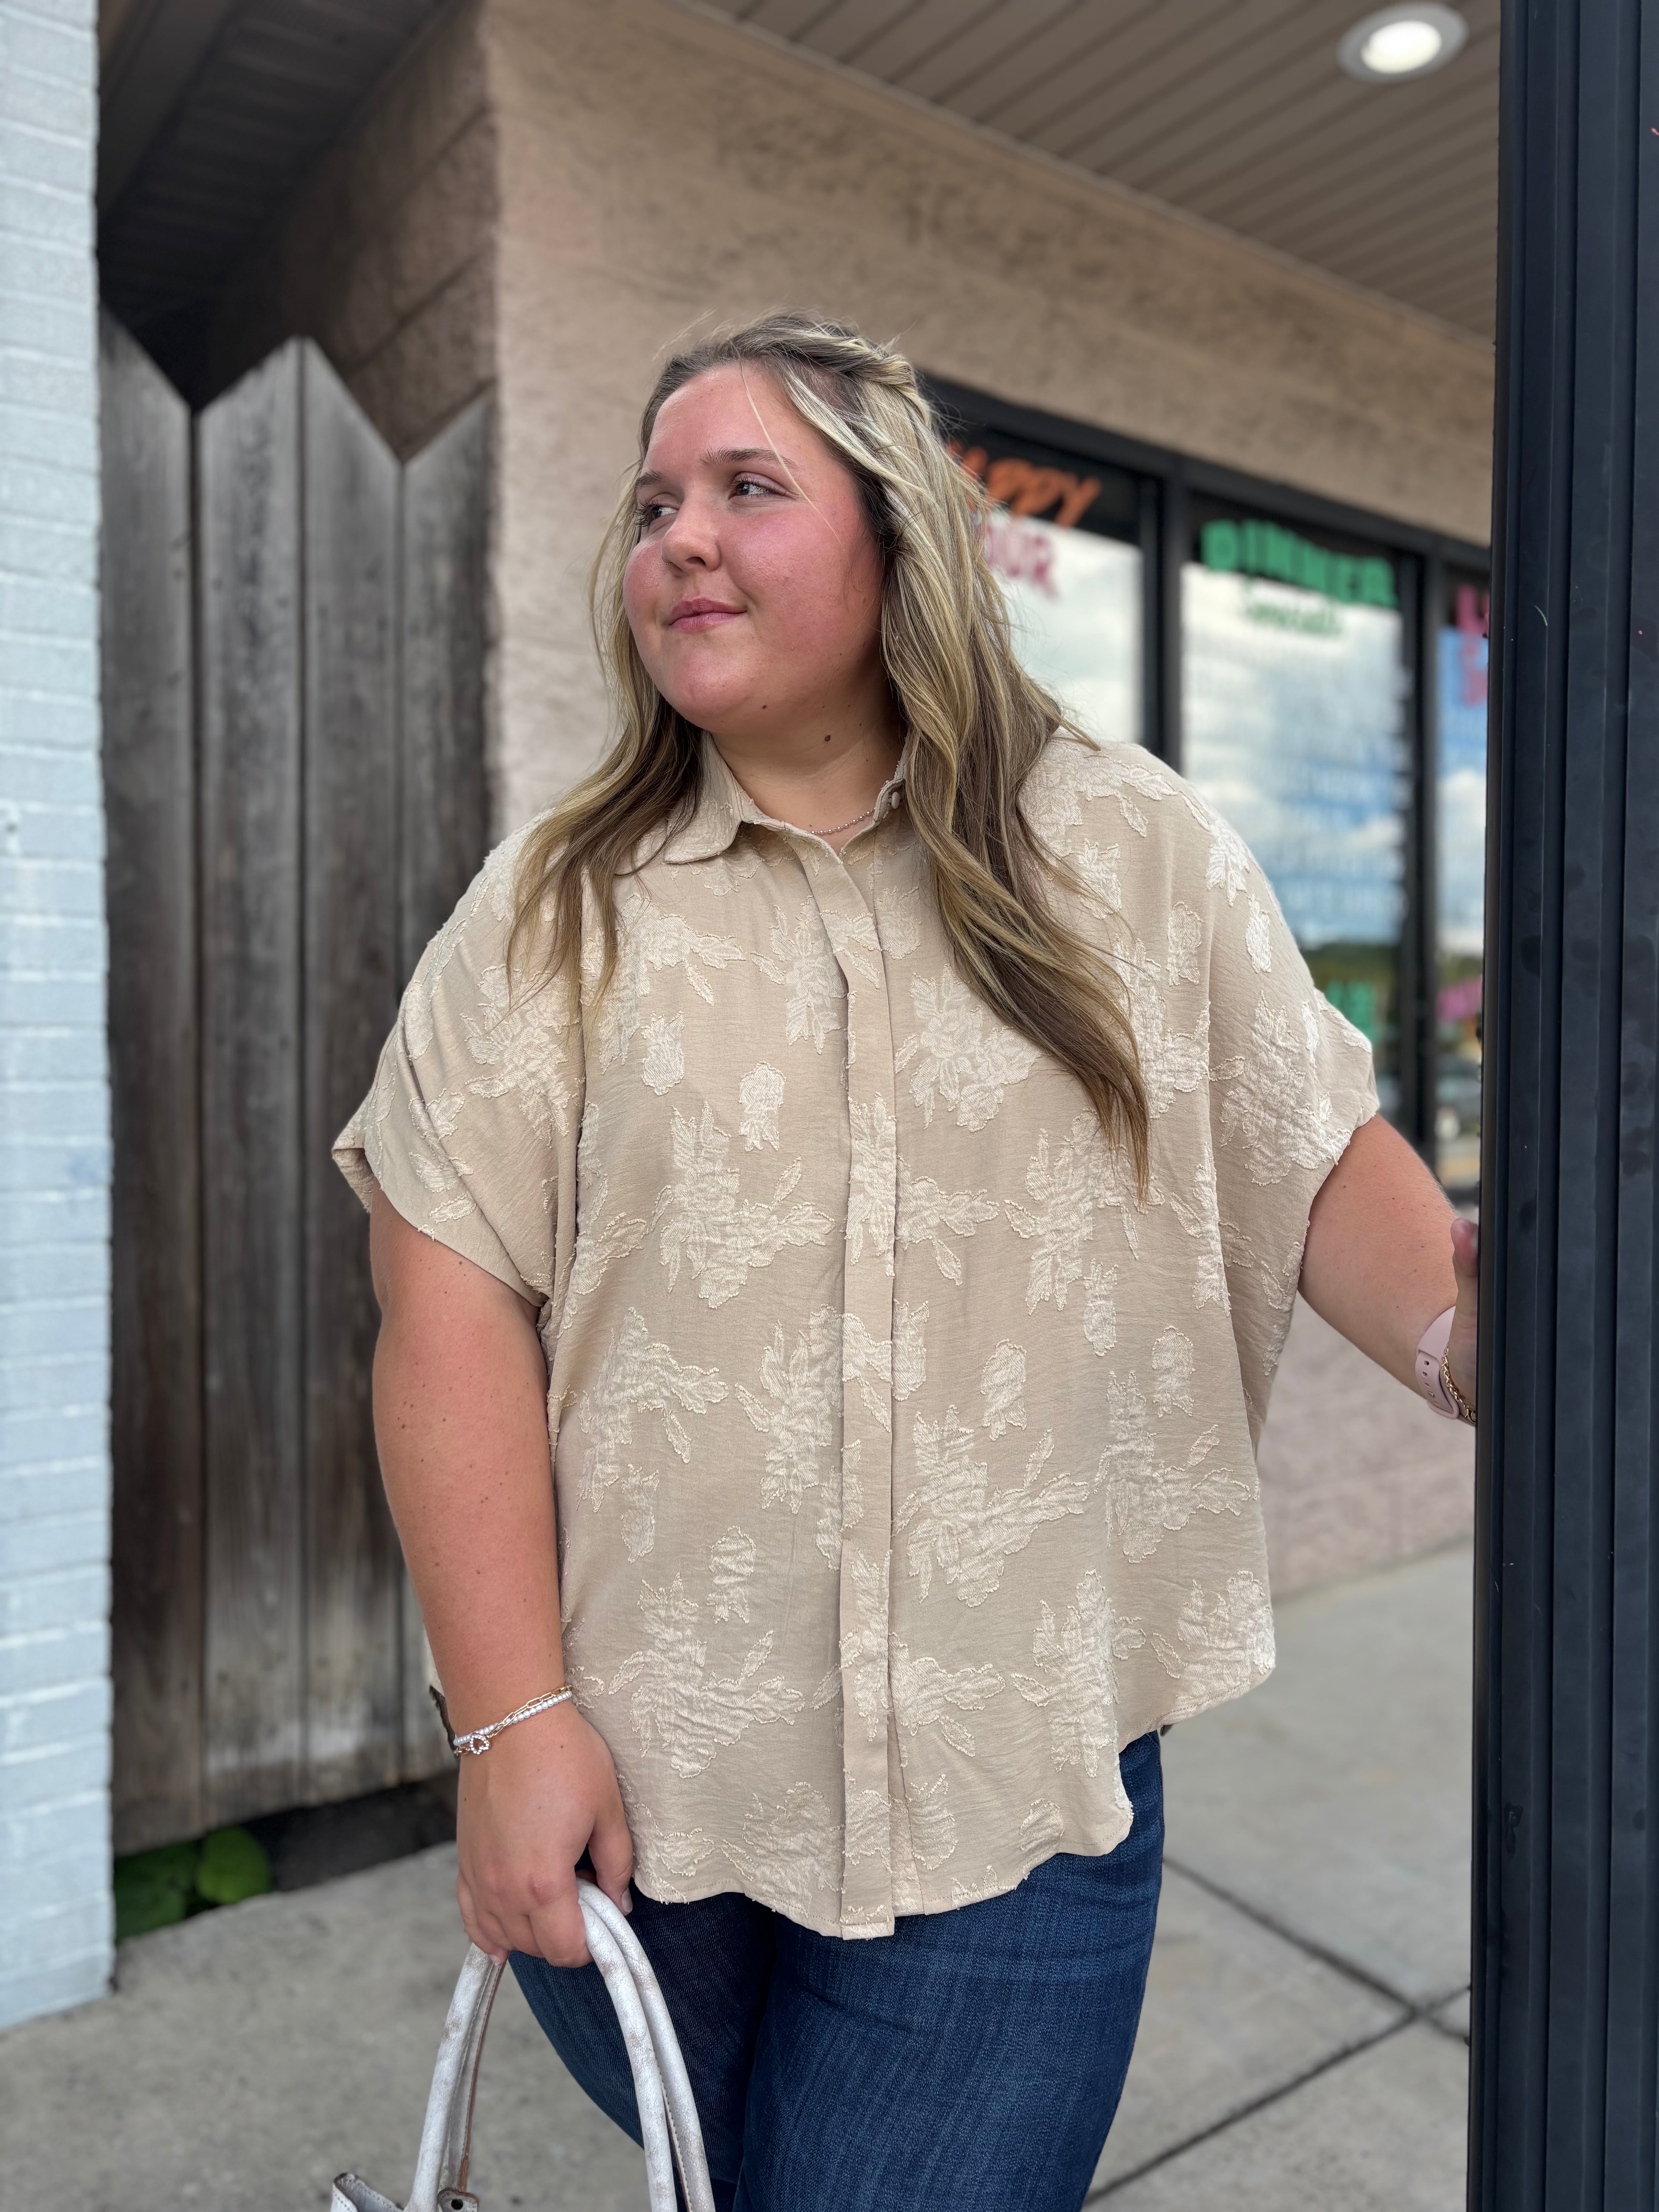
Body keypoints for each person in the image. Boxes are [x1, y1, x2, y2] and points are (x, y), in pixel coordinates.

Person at [335, 313, 1479, 2212]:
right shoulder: (554, 908)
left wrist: (1467, 1329)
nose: (678, 537)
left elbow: (1304, 1159)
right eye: (650, 504)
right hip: (648, 1796)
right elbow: (440, 1296)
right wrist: (512, 1720)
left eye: (747, 488)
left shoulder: (1128, 849)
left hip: (1015, 1794)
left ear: (898, 540)